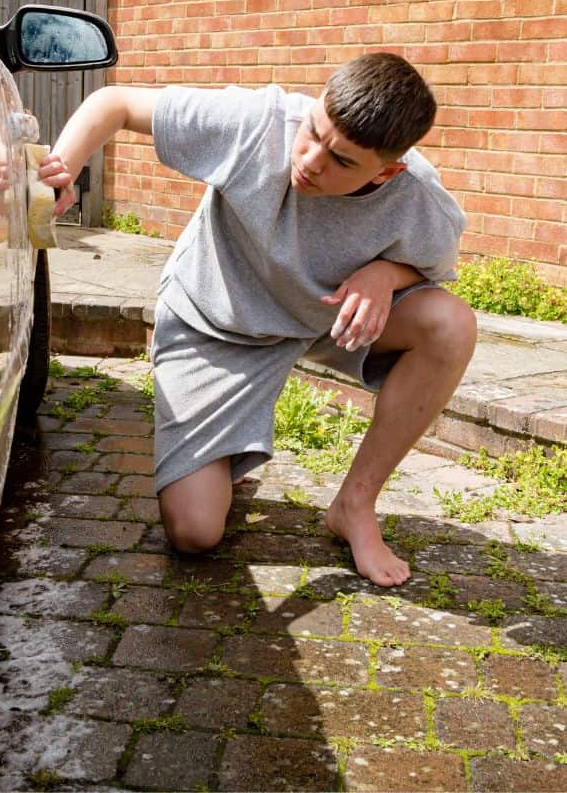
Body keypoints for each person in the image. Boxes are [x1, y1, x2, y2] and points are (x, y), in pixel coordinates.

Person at [38, 52, 477, 587]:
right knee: (195, 532)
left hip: (320, 319)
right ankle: (223, 453)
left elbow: (434, 265)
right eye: (314, 131)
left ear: (387, 171)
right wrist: (62, 166)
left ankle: (354, 506)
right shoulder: (256, 123)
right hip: (215, 322)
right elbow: (116, 103)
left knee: (449, 324)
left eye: (341, 161)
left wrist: (387, 274)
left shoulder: (421, 202)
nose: (312, 160)